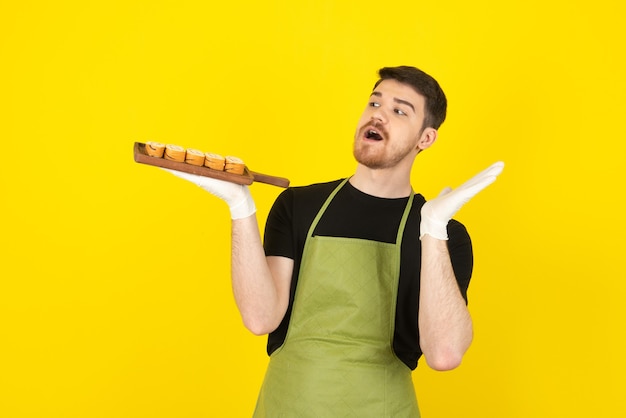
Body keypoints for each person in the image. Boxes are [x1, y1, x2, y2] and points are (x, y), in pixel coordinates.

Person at [163, 66, 504, 417]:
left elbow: (444, 353)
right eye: (374, 103)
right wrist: (240, 208)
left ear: (425, 139)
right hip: (286, 406)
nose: (379, 116)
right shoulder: (298, 205)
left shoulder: (448, 236)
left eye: (399, 110)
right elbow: (260, 318)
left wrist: (433, 228)